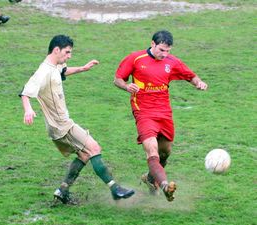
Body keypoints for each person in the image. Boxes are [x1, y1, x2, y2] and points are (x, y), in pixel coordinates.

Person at [20, 35, 134, 204]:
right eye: (67, 52)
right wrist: (28, 110)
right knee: (94, 148)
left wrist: (83, 68)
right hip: (62, 126)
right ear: (56, 50)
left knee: (84, 154)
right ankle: (115, 189)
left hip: (58, 126)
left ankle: (63, 190)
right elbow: (26, 92)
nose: (69, 56)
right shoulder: (43, 72)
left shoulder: (55, 66)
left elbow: (63, 71)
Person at [114, 30, 207, 202]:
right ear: (152, 44)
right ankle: (164, 185)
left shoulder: (171, 62)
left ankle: (150, 179)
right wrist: (126, 86)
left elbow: (190, 75)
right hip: (143, 112)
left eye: (168, 51)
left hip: (164, 113)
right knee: (152, 151)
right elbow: (118, 79)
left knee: (165, 152)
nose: (164, 54)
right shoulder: (136, 58)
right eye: (161, 50)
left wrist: (198, 83)